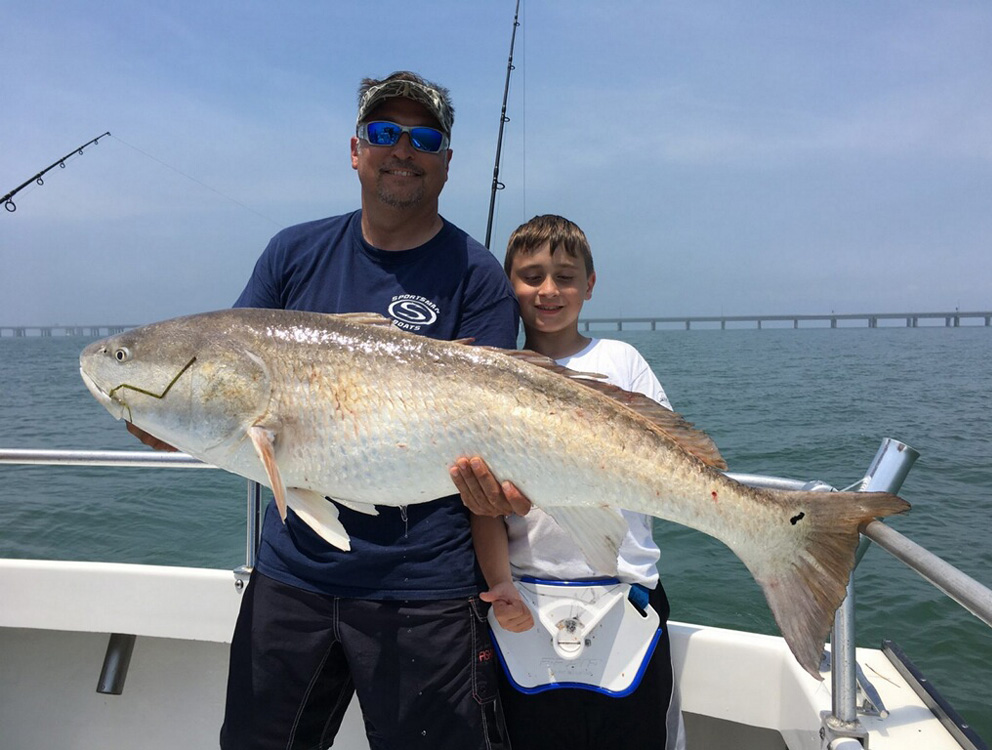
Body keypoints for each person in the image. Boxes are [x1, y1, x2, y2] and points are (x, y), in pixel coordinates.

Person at [218, 71, 521, 750]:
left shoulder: (478, 277)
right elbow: (230, 373)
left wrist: (500, 492)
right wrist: (158, 414)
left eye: (424, 137)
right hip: (291, 578)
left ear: (446, 161)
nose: (402, 149)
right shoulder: (292, 254)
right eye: (384, 132)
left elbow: (496, 431)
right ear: (356, 150)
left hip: (427, 589)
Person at [466, 215, 686, 749]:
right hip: (526, 601)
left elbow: (674, 458)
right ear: (508, 286)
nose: (548, 290)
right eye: (531, 275)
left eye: (565, 276)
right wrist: (500, 587)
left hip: (627, 594)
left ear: (590, 284)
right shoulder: (488, 373)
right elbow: (482, 505)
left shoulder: (622, 363)